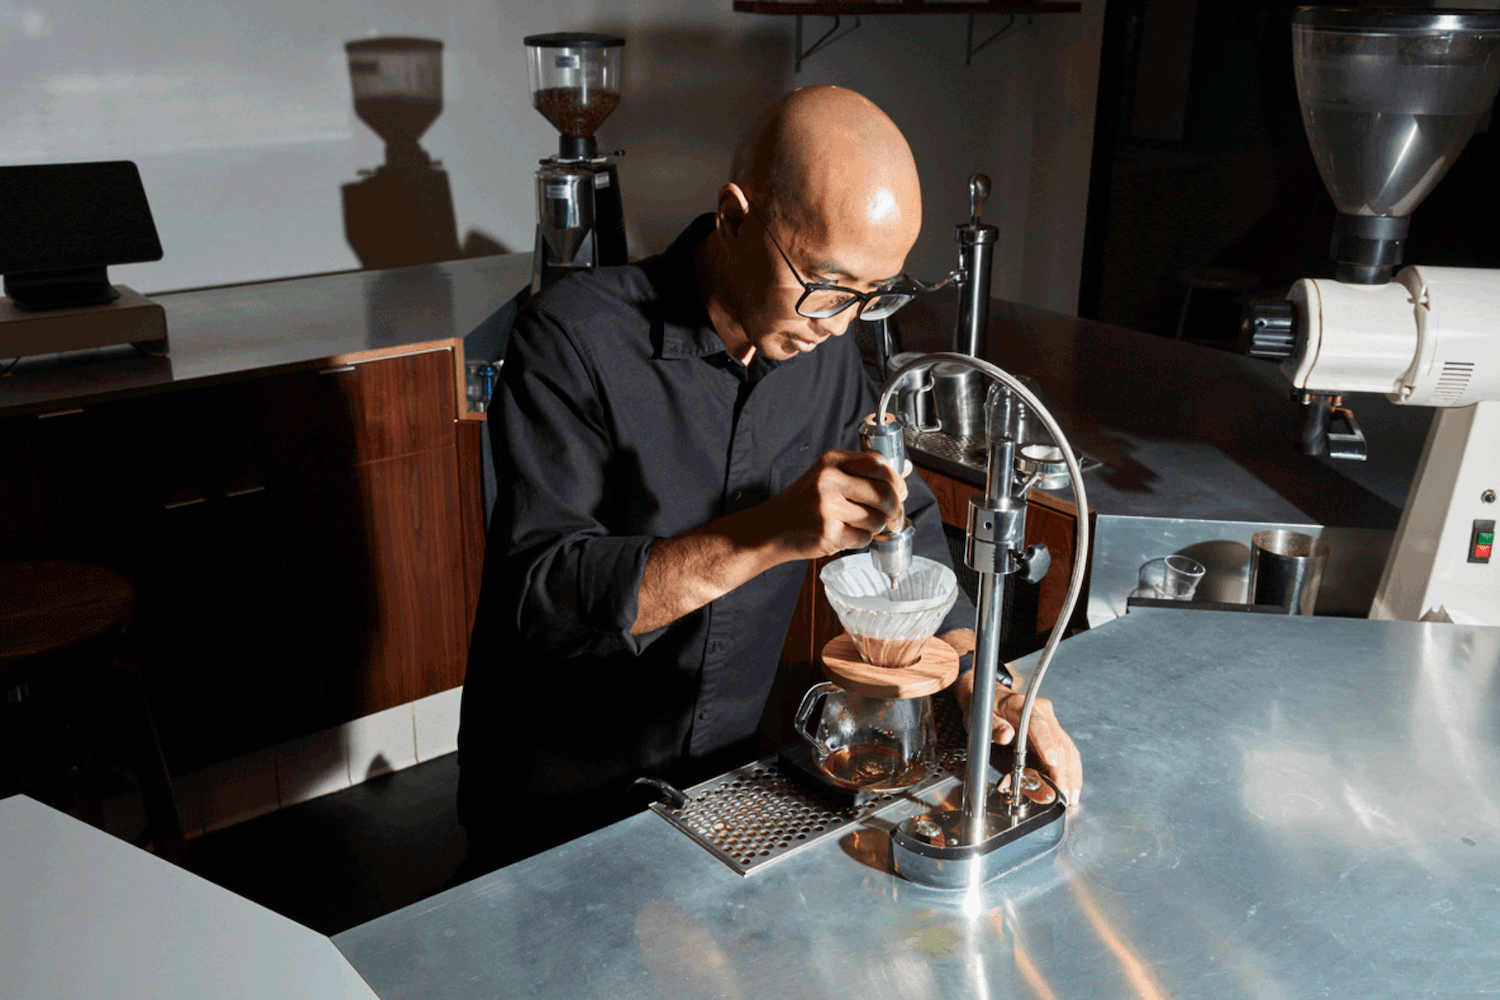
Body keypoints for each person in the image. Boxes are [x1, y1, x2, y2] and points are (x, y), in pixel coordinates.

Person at [456, 85, 1081, 872]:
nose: (840, 322)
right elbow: (546, 592)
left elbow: (907, 521)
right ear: (732, 217)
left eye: (872, 295)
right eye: (824, 282)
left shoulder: (824, 352)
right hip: (554, 800)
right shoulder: (574, 337)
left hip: (721, 783)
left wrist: (977, 681)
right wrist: (772, 530)